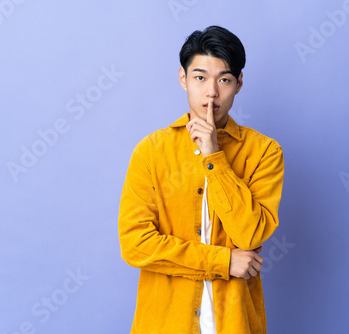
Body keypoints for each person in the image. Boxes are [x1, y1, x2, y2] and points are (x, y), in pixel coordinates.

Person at [118, 25, 284, 334]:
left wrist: (214, 157)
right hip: (165, 324)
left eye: (224, 80)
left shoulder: (264, 152)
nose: (211, 92)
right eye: (200, 78)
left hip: (235, 323)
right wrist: (223, 262)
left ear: (239, 83)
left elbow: (250, 235)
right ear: (183, 79)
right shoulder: (151, 151)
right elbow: (135, 245)